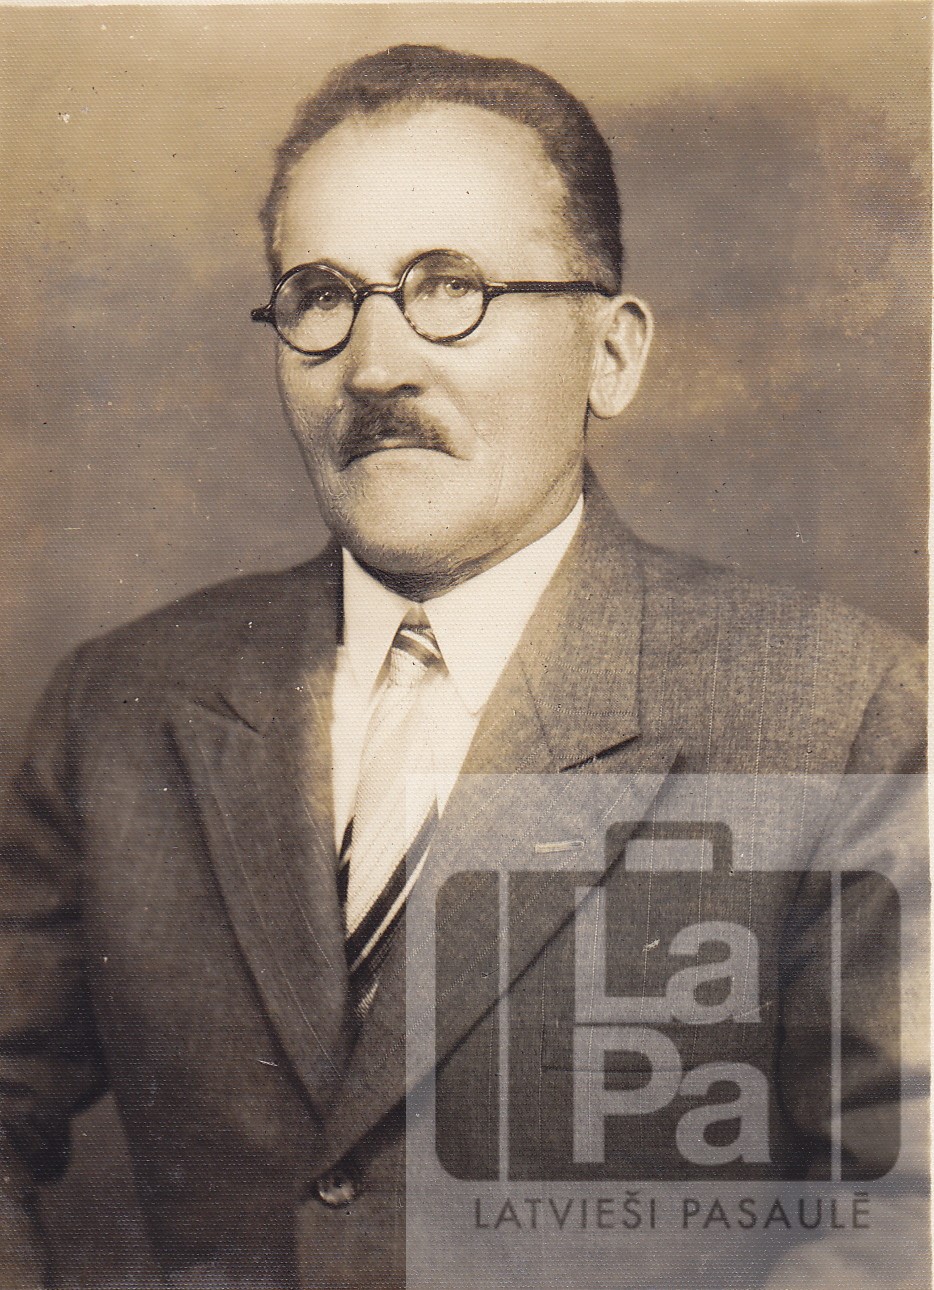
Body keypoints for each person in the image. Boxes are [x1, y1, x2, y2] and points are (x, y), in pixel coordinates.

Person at [0, 44, 925, 1290]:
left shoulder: (842, 711)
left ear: (611, 355)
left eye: (452, 287)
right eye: (321, 295)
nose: (376, 366)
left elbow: (907, 1214)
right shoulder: (119, 710)